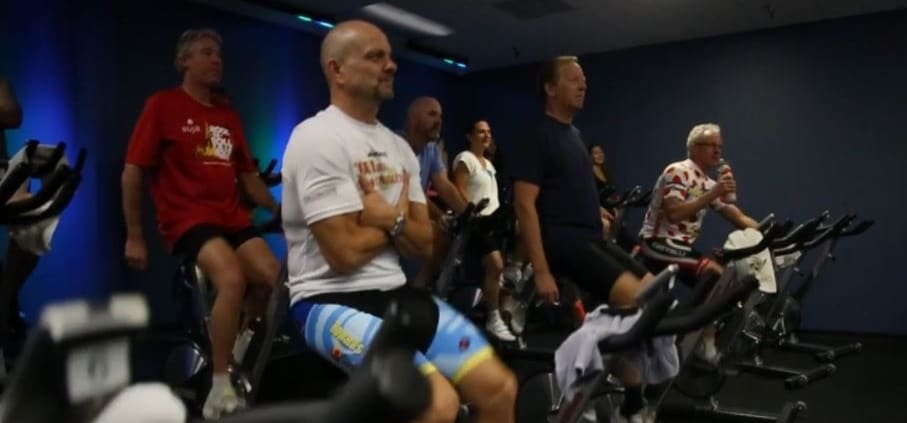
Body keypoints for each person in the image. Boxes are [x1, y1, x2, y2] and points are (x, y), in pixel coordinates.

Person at [281, 20, 516, 423]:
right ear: (337, 70)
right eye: (375, 56)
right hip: (327, 301)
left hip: (396, 293)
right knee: (435, 403)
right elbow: (343, 253)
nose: (391, 65)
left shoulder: (398, 149)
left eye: (390, 56)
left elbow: (425, 244)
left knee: (499, 389)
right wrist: (400, 224)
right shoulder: (317, 138)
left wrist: (384, 216)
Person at [121, 28, 280, 419]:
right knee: (231, 279)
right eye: (207, 53)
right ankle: (219, 386)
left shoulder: (227, 115)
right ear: (184, 62)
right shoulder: (163, 105)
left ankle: (236, 350)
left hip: (230, 217)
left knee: (275, 282)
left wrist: (277, 210)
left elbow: (247, 175)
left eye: (219, 55)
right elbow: (132, 172)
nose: (216, 60)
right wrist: (135, 236)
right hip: (187, 218)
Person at [509, 56, 656, 422]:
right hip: (563, 243)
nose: (582, 85)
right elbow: (524, 206)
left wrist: (599, 214)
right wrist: (540, 270)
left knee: (654, 291)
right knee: (635, 301)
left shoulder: (574, 135)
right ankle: (592, 384)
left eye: (584, 79)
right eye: (574, 79)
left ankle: (630, 394)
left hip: (592, 239)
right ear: (550, 87)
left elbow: (577, 189)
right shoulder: (536, 133)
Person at [637, 122, 759, 362]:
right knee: (713, 274)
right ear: (693, 148)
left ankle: (697, 337)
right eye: (711, 146)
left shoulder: (709, 183)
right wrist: (712, 194)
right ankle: (700, 342)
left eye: (720, 147)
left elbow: (738, 217)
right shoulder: (677, 171)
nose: (717, 151)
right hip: (656, 242)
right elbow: (674, 213)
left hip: (680, 247)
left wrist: (768, 234)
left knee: (722, 279)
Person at [451, 119, 517, 342]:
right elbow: (458, 191)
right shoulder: (465, 159)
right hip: (475, 224)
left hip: (494, 223)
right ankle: (493, 318)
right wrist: (471, 215)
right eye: (480, 132)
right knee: (495, 265)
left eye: (489, 131)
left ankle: (515, 272)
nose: (486, 135)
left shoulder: (488, 164)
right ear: (470, 136)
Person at [401, 97, 467, 288]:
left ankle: (419, 288)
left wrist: (469, 214)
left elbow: (444, 185)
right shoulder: (397, 145)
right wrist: (439, 217)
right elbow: (412, 194)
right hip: (395, 214)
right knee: (437, 235)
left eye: (440, 115)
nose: (439, 120)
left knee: (444, 235)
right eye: (431, 114)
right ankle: (414, 289)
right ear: (414, 119)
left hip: (415, 213)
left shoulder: (431, 148)